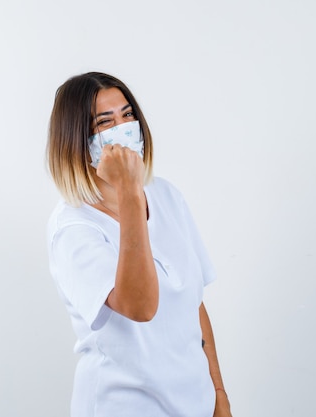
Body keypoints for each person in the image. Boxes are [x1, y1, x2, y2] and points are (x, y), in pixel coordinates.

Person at [46, 72, 232, 417]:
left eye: (128, 115)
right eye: (105, 121)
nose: (123, 127)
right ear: (76, 141)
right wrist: (130, 191)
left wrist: (219, 394)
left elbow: (193, 304)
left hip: (195, 405)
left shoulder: (166, 196)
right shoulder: (72, 228)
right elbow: (141, 306)